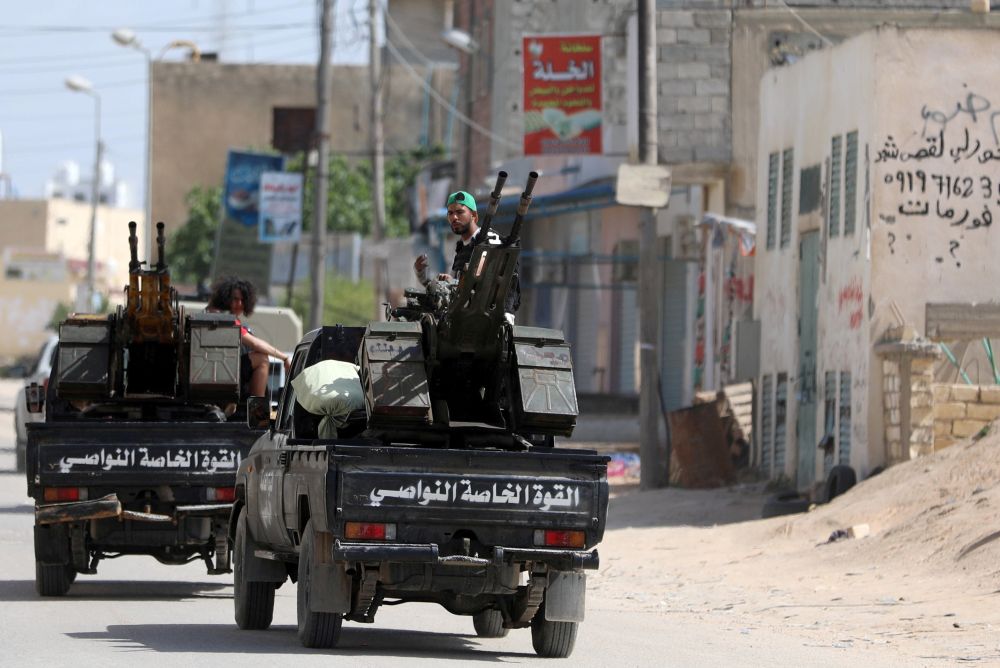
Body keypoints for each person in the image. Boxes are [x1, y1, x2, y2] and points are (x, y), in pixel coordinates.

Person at [413, 190, 520, 317]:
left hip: (488, 317)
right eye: (450, 213)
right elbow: (452, 290)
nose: (454, 217)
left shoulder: (490, 241)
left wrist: (507, 313)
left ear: (474, 216)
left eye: (460, 212)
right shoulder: (461, 249)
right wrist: (423, 276)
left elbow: (504, 280)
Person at [208, 276, 291, 398]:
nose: (239, 304)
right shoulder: (226, 320)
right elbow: (255, 344)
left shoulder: (223, 317)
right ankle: (257, 407)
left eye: (243, 300)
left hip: (222, 369)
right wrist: (284, 357)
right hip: (222, 370)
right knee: (262, 359)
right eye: (235, 299)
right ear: (226, 299)